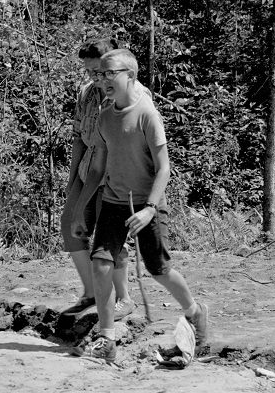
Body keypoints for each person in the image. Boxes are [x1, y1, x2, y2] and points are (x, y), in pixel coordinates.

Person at [71, 48, 209, 362]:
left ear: (130, 76)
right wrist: (82, 207)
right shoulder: (105, 116)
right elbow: (99, 166)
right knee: (101, 264)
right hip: (113, 201)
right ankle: (107, 340)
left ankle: (195, 311)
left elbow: (164, 167)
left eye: (111, 73)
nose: (104, 79)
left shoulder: (147, 113)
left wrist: (148, 208)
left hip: (147, 204)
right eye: (101, 74)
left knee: (158, 269)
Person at [59, 39, 135, 320]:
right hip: (87, 170)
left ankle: (124, 299)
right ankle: (90, 294)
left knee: (110, 238)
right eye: (89, 72)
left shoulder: (131, 95)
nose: (94, 77)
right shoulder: (87, 93)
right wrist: (71, 181)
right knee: (70, 225)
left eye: (99, 71)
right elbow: (80, 136)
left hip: (115, 175)